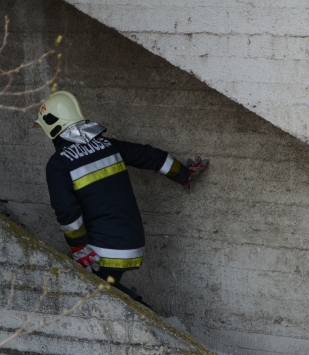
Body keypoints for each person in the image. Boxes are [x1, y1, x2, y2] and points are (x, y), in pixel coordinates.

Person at [33, 90, 208, 306]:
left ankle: (140, 309)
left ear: (52, 126)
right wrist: (184, 174)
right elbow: (150, 156)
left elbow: (66, 210)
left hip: (105, 250)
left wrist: (78, 247)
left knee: (74, 286)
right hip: (133, 242)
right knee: (87, 282)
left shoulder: (59, 164)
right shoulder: (109, 145)